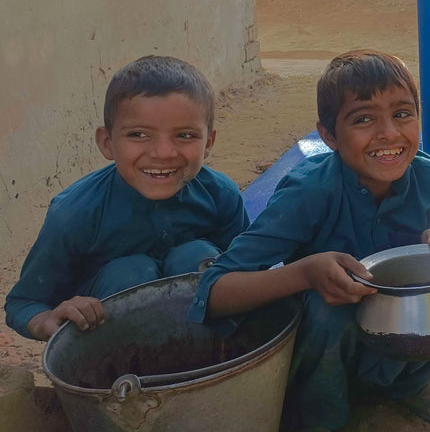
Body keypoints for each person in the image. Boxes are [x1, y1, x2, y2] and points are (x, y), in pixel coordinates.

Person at [187, 50, 430, 432]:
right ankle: (316, 420)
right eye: (363, 119)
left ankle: (415, 380)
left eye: (403, 114)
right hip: (324, 338)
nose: (389, 134)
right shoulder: (308, 192)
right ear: (329, 135)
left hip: (391, 323)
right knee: (325, 308)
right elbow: (215, 291)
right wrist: (305, 273)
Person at [4, 55, 248, 341]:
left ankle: (212, 358)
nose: (163, 152)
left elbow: (248, 267)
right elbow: (22, 304)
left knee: (197, 258)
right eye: (139, 134)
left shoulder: (220, 194)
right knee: (130, 275)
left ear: (208, 143)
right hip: (118, 358)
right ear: (107, 143)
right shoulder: (75, 212)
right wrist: (48, 320)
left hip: (208, 343)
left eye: (184, 135)